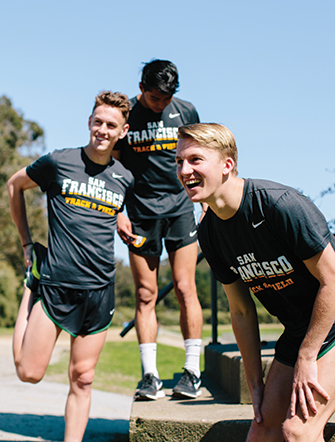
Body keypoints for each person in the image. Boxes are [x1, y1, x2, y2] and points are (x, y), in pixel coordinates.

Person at [176, 122, 335, 442]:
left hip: (331, 326)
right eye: (179, 161)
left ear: (227, 165)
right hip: (298, 330)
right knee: (262, 431)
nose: (184, 170)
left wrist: (307, 356)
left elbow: (333, 281)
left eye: (195, 159)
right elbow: (241, 312)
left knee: (298, 432)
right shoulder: (209, 233)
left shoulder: (278, 205)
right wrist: (255, 385)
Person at [7, 91, 134, 442]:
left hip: (99, 292)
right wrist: (27, 243)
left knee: (83, 378)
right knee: (29, 373)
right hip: (56, 285)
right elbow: (14, 185)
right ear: (89, 123)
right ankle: (28, 292)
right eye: (98, 122)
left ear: (122, 131)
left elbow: (109, 206)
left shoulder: (124, 178)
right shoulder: (58, 162)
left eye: (111, 125)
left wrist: (121, 219)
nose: (102, 130)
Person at [113, 59, 204, 400]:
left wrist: (205, 204)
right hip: (139, 211)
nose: (161, 103)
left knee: (184, 287)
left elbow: (200, 156)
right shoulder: (127, 115)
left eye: (166, 98)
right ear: (141, 90)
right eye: (154, 98)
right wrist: (118, 210)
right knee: (146, 293)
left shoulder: (186, 111)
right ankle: (150, 377)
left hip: (180, 207)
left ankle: (192, 371)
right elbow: (114, 164)